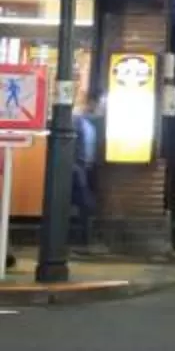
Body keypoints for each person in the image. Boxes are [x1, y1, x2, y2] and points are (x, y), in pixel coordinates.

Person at [69, 93, 101, 252]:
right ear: (90, 103)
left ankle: (82, 238)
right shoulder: (77, 121)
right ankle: (83, 240)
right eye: (97, 104)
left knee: (82, 203)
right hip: (77, 167)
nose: (99, 108)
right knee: (85, 203)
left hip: (87, 168)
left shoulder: (91, 124)